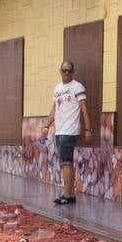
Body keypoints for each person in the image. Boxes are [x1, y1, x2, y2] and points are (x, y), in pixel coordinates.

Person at [42, 60, 91, 205]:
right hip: (60, 129)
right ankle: (71, 194)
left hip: (70, 130)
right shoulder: (57, 88)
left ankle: (67, 194)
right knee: (67, 163)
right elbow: (54, 109)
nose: (67, 73)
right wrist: (46, 125)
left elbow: (84, 109)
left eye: (69, 70)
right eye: (64, 70)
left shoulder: (77, 87)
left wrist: (88, 129)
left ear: (73, 71)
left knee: (65, 162)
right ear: (60, 71)